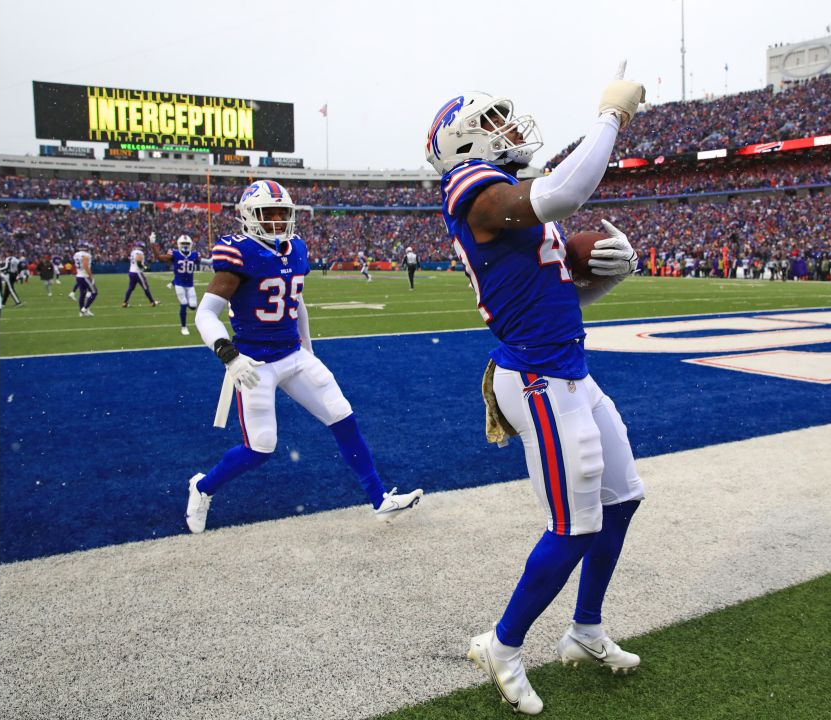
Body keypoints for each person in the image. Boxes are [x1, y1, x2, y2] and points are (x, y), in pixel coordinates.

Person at [425, 64, 646, 716]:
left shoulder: (513, 194)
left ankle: (585, 630)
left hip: (571, 371)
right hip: (537, 381)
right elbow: (559, 198)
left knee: (624, 498)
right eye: (490, 122)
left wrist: (610, 278)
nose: (508, 127)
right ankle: (503, 643)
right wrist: (611, 117)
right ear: (462, 144)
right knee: (573, 526)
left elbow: (560, 300)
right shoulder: (472, 187)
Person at [185, 179, 423, 534]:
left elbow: (297, 303)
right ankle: (202, 487)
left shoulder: (295, 247)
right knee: (261, 448)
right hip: (254, 364)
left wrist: (309, 351)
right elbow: (205, 313)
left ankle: (379, 500)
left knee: (343, 417)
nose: (279, 221)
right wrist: (230, 356)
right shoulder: (239, 252)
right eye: (270, 214)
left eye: (284, 213)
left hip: (293, 354)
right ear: (249, 216)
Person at [152, 235, 200, 335]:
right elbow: (159, 257)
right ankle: (183, 327)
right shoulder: (174, 253)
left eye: (187, 244)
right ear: (179, 244)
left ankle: (188, 305)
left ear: (191, 245)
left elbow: (205, 261)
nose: (185, 245)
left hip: (190, 285)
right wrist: (153, 245)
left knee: (193, 306)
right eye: (183, 243)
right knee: (183, 303)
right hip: (179, 284)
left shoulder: (195, 254)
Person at [122, 235, 160, 308]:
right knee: (145, 287)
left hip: (131, 272)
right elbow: (139, 263)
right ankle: (152, 302)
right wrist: (145, 267)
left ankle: (125, 302)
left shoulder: (133, 252)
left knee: (130, 288)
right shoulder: (139, 252)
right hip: (137, 272)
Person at [72, 243, 99, 317]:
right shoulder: (86, 255)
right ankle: (85, 308)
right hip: (85, 276)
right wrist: (91, 277)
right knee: (94, 292)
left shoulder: (76, 254)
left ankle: (82, 312)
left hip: (78, 276)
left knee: (82, 294)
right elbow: (85, 266)